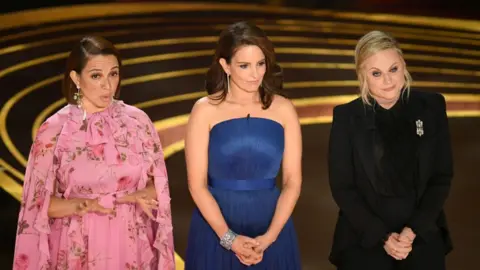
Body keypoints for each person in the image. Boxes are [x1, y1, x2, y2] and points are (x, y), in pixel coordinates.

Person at [12, 36, 175, 270]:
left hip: (132, 245)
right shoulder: (55, 130)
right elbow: (37, 206)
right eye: (96, 75)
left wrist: (137, 196)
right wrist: (90, 205)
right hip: (76, 246)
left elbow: (159, 186)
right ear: (76, 78)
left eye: (114, 74)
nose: (108, 85)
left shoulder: (138, 122)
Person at [328, 30, 453, 270]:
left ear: (403, 65)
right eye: (376, 73)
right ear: (362, 76)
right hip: (364, 237)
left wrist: (411, 231)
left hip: (422, 232)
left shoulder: (432, 106)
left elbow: (441, 176)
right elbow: (343, 188)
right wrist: (383, 237)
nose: (388, 81)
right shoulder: (346, 117)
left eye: (393, 69)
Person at [184, 21, 302, 269]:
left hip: (272, 226)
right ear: (225, 66)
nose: (255, 74)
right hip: (215, 229)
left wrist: (269, 238)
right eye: (244, 66)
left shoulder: (284, 109)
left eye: (260, 64)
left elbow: (292, 181)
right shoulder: (204, 110)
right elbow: (196, 185)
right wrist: (230, 239)